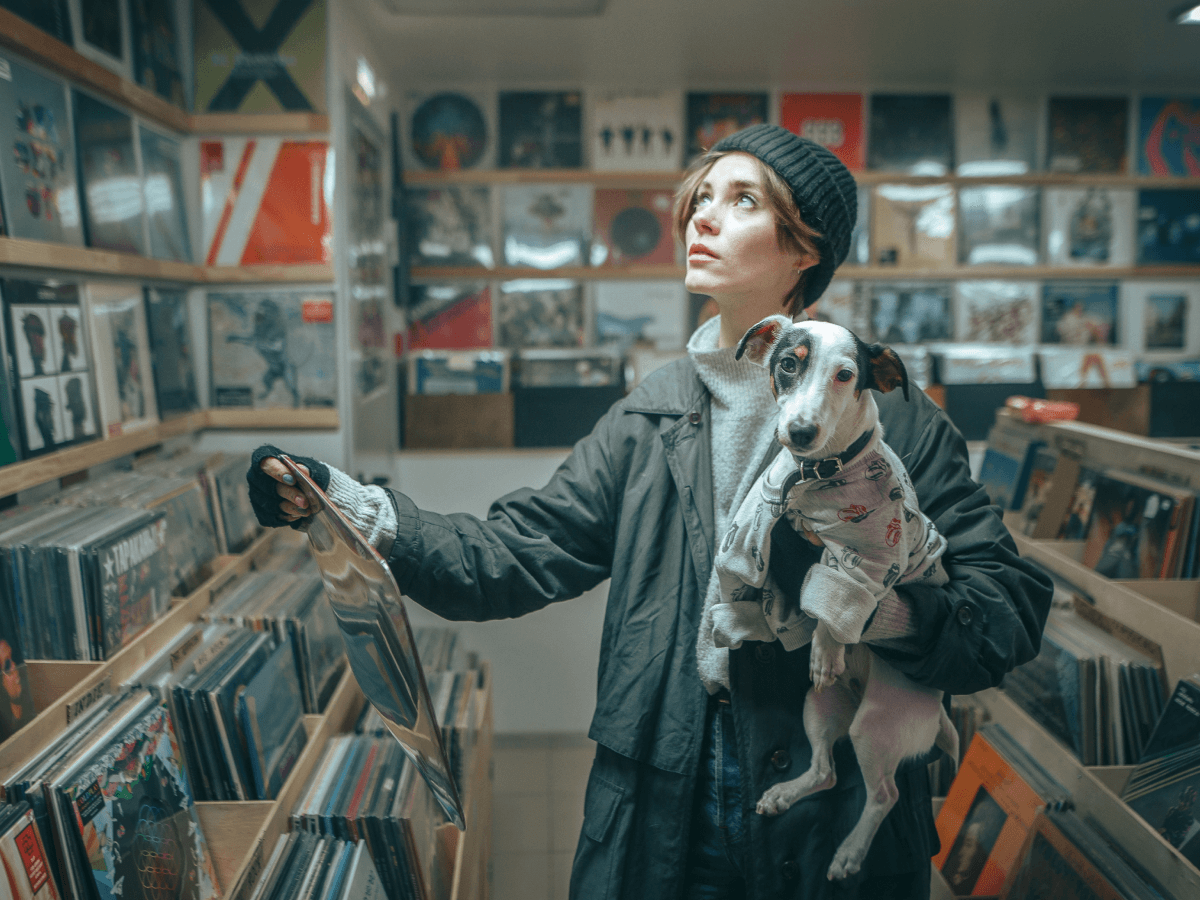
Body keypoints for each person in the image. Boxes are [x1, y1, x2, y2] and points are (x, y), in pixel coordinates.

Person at [248, 124, 1053, 900]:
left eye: (741, 200)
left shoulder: (900, 421)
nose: (702, 214)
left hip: (828, 803)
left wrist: (876, 611)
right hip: (667, 802)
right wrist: (342, 502)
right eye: (701, 196)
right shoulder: (655, 412)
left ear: (805, 249)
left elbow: (1005, 610)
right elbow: (515, 554)